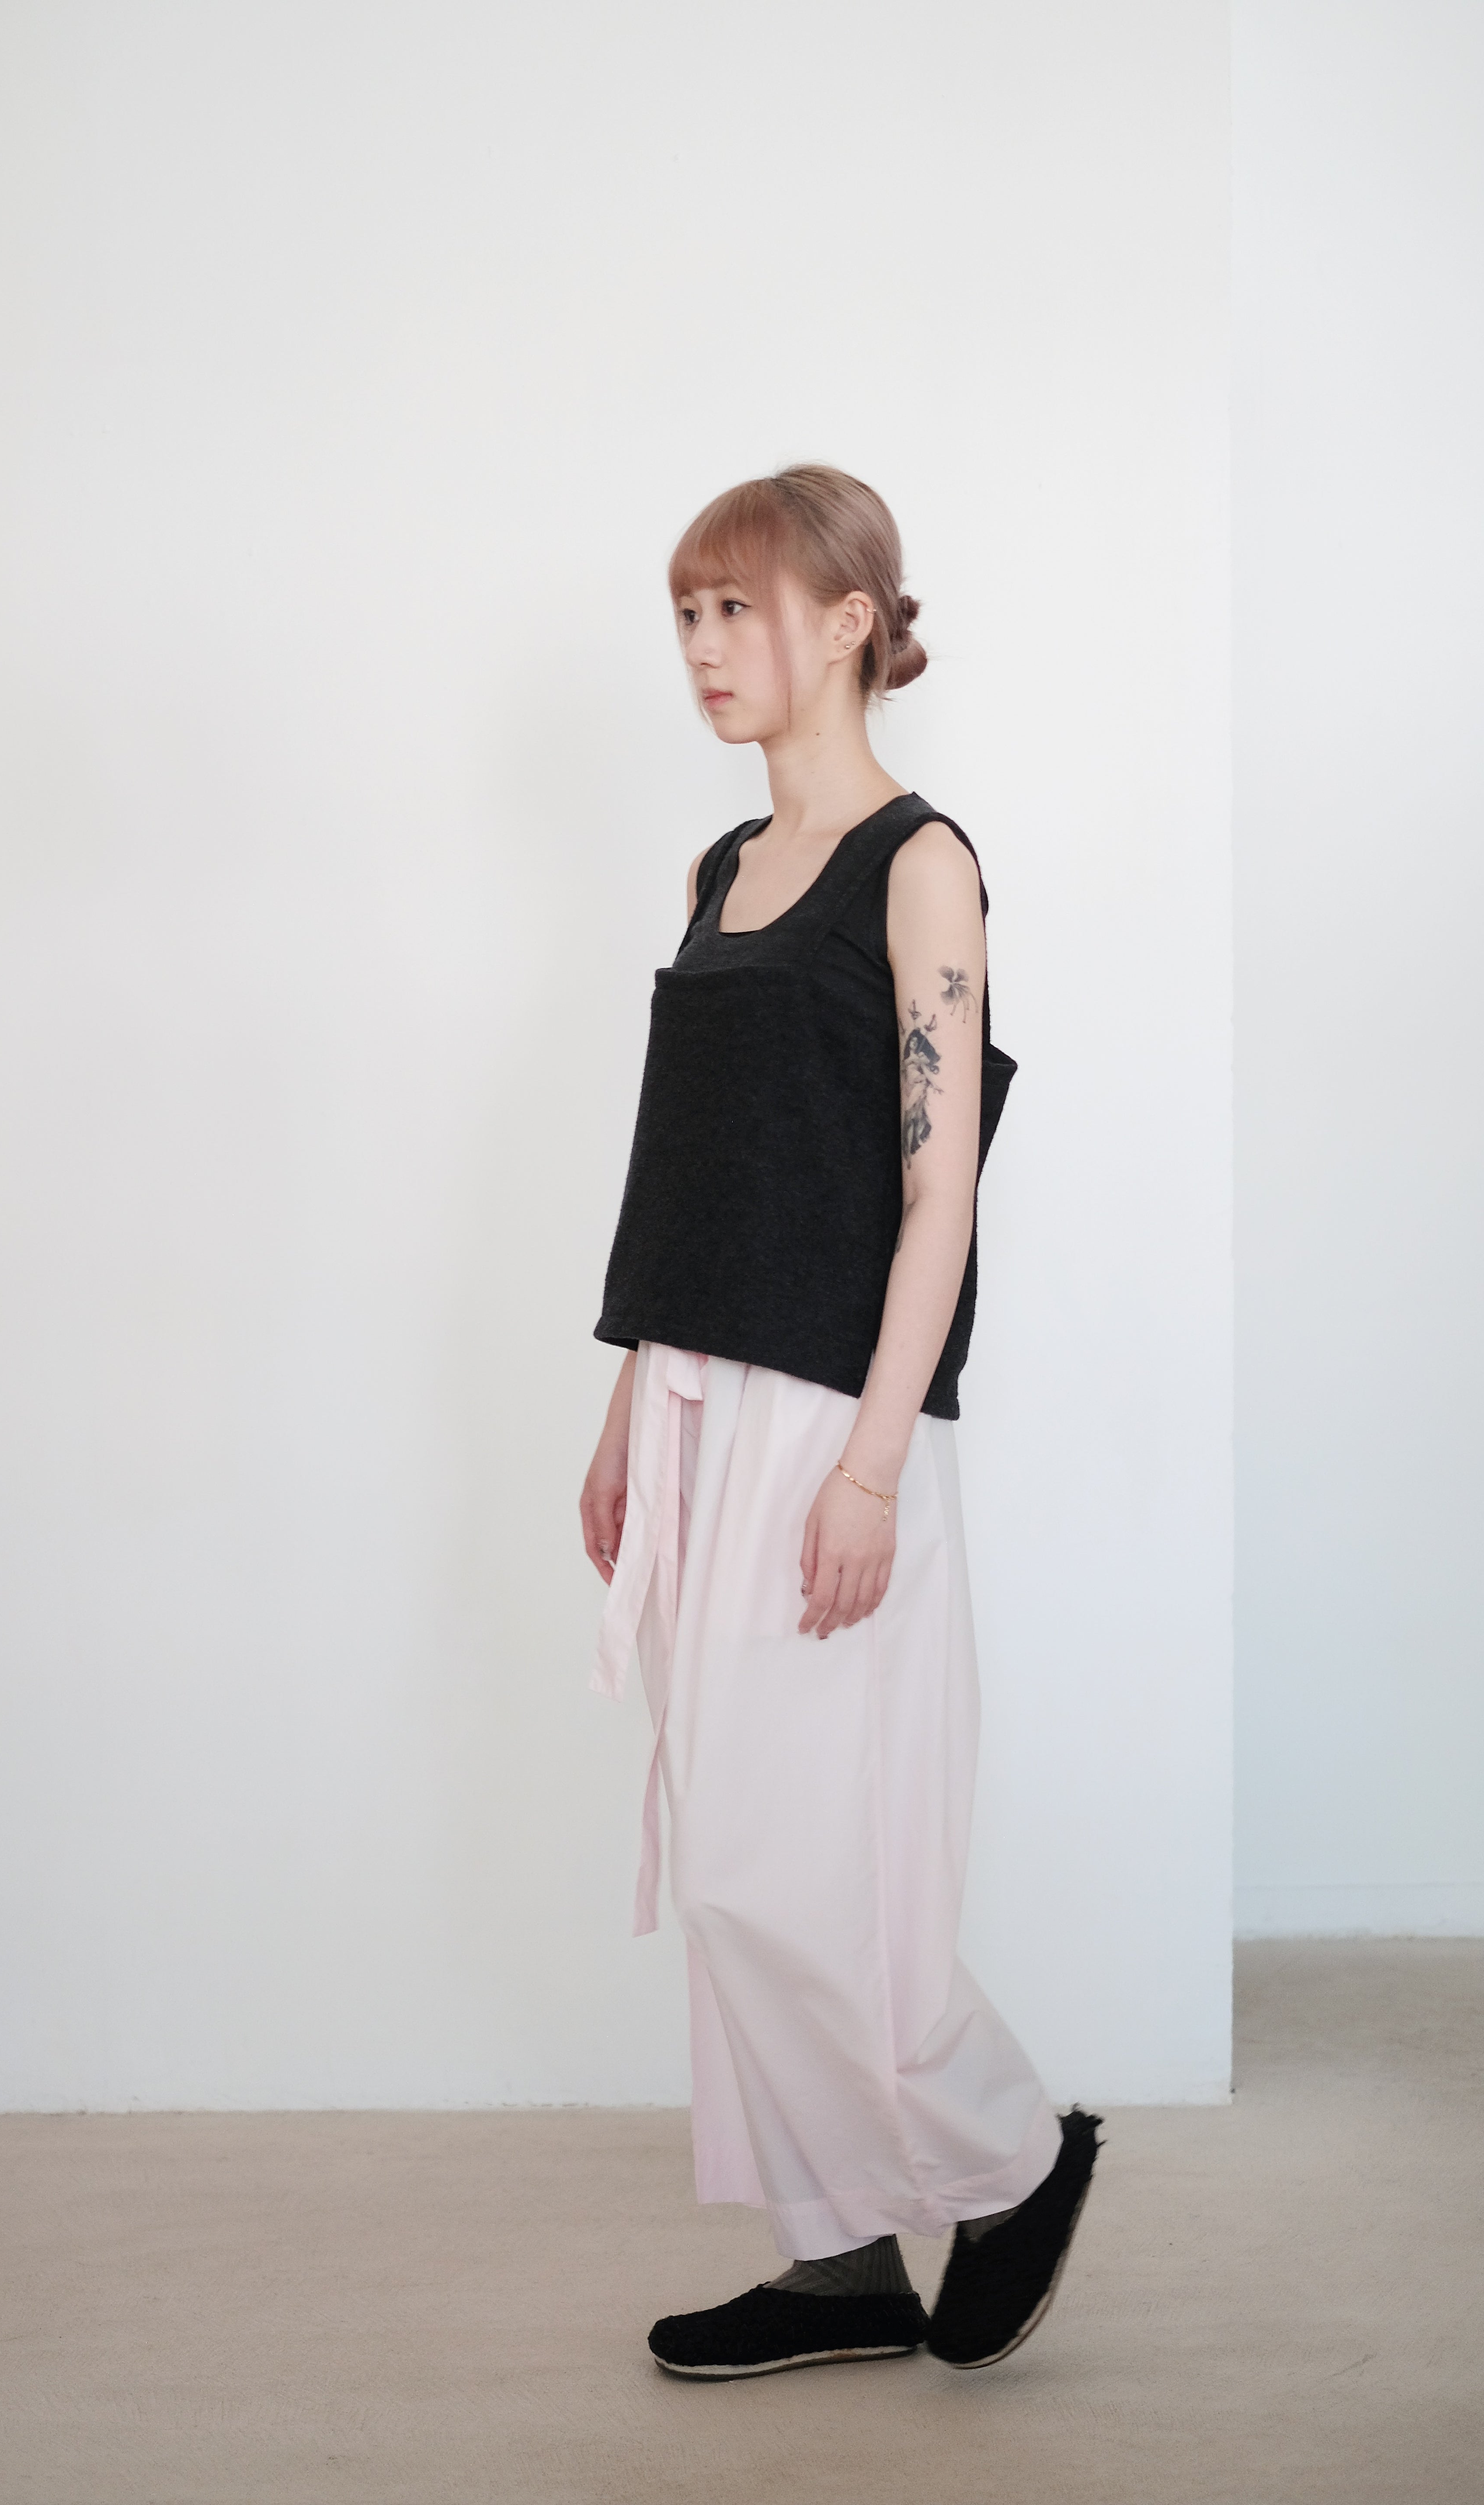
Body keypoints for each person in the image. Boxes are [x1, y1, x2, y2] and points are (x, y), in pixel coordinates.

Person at [579, 465, 1102, 2381]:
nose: (706, 649)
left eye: (740, 609)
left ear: (854, 620)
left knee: (781, 1859)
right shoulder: (719, 872)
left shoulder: (920, 864)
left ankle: (1015, 2155)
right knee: (730, 1843)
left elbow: (940, 1189)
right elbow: (688, 1171)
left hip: (835, 1413)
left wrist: (873, 1463)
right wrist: (626, 1410)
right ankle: (842, 2265)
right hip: (703, 1404)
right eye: (689, 615)